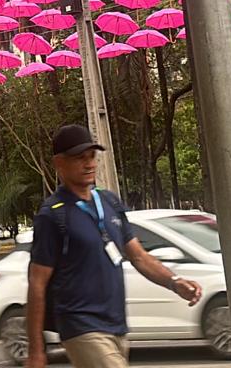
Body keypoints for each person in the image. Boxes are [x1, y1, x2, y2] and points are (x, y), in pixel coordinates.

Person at [26, 124, 202, 368]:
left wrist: (174, 282)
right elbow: (37, 283)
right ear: (59, 163)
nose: (89, 164)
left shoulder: (109, 202)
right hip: (80, 325)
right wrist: (36, 350)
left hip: (116, 324)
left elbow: (139, 256)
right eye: (80, 158)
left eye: (92, 157)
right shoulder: (53, 215)